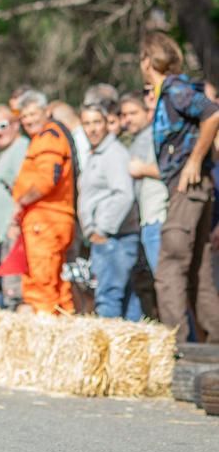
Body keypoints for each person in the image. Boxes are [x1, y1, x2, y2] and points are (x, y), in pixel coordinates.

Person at [140, 32, 219, 343]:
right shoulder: (169, 94)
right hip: (192, 191)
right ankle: (214, 348)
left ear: (149, 60)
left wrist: (194, 160)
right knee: (198, 274)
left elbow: (213, 114)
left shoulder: (175, 90)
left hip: (187, 189)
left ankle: (177, 349)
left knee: (169, 269)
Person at [11, 90, 76, 314]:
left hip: (46, 219)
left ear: (46, 111)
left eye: (32, 114)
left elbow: (47, 179)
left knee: (42, 284)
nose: (28, 120)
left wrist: (22, 201)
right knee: (57, 284)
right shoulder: (44, 137)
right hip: (48, 218)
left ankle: (46, 331)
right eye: (24, 117)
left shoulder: (49, 136)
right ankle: (64, 326)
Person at [78, 103, 142, 321]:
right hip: (108, 237)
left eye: (97, 122)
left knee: (108, 297)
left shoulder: (113, 153)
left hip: (116, 237)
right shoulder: (95, 155)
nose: (92, 128)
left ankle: (111, 350)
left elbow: (123, 194)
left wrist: (102, 229)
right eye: (87, 123)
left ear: (107, 124)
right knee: (124, 296)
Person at [0, 103, 28, 309]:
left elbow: (23, 189)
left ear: (15, 124)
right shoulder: (8, 151)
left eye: (2, 125)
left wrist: (14, 223)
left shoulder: (20, 148)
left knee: (16, 292)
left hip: (16, 231)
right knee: (11, 289)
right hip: (8, 233)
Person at [123, 91, 168, 274]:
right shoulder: (135, 141)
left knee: (167, 282)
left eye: (133, 113)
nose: (128, 119)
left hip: (158, 216)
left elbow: (172, 169)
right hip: (146, 218)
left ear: (148, 113)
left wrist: (142, 169)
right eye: (124, 115)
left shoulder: (154, 136)